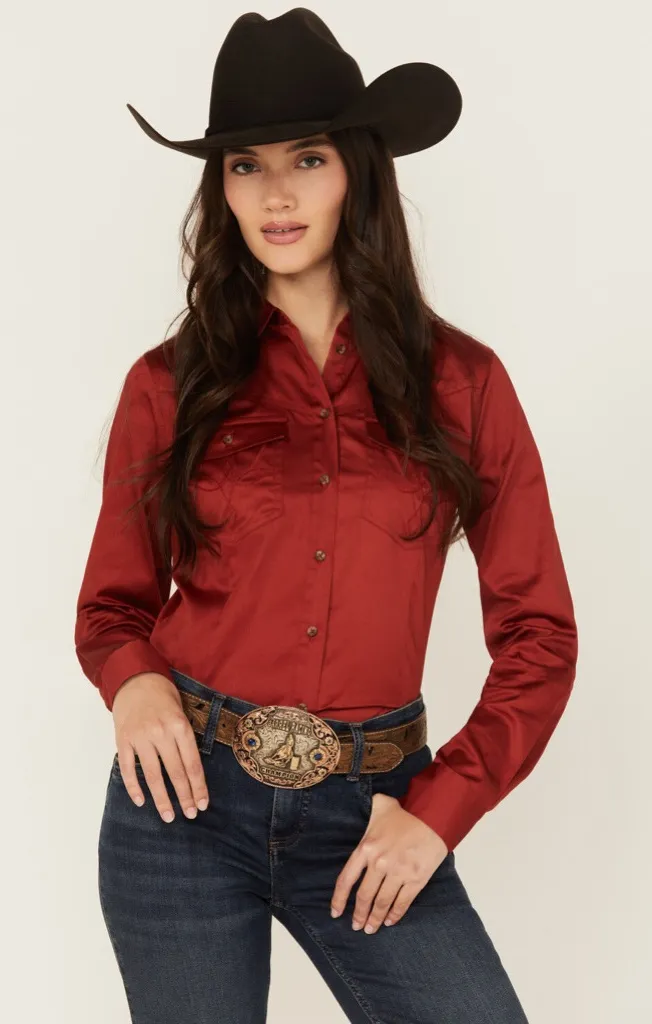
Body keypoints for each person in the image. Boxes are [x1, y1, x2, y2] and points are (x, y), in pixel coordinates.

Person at [74, 9, 578, 1023]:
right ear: (220, 189)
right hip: (182, 804)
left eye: (306, 158)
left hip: (376, 809)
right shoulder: (166, 385)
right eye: (245, 166)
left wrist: (439, 814)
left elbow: (540, 637)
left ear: (357, 171)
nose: (277, 194)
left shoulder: (465, 384)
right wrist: (134, 685)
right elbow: (111, 609)